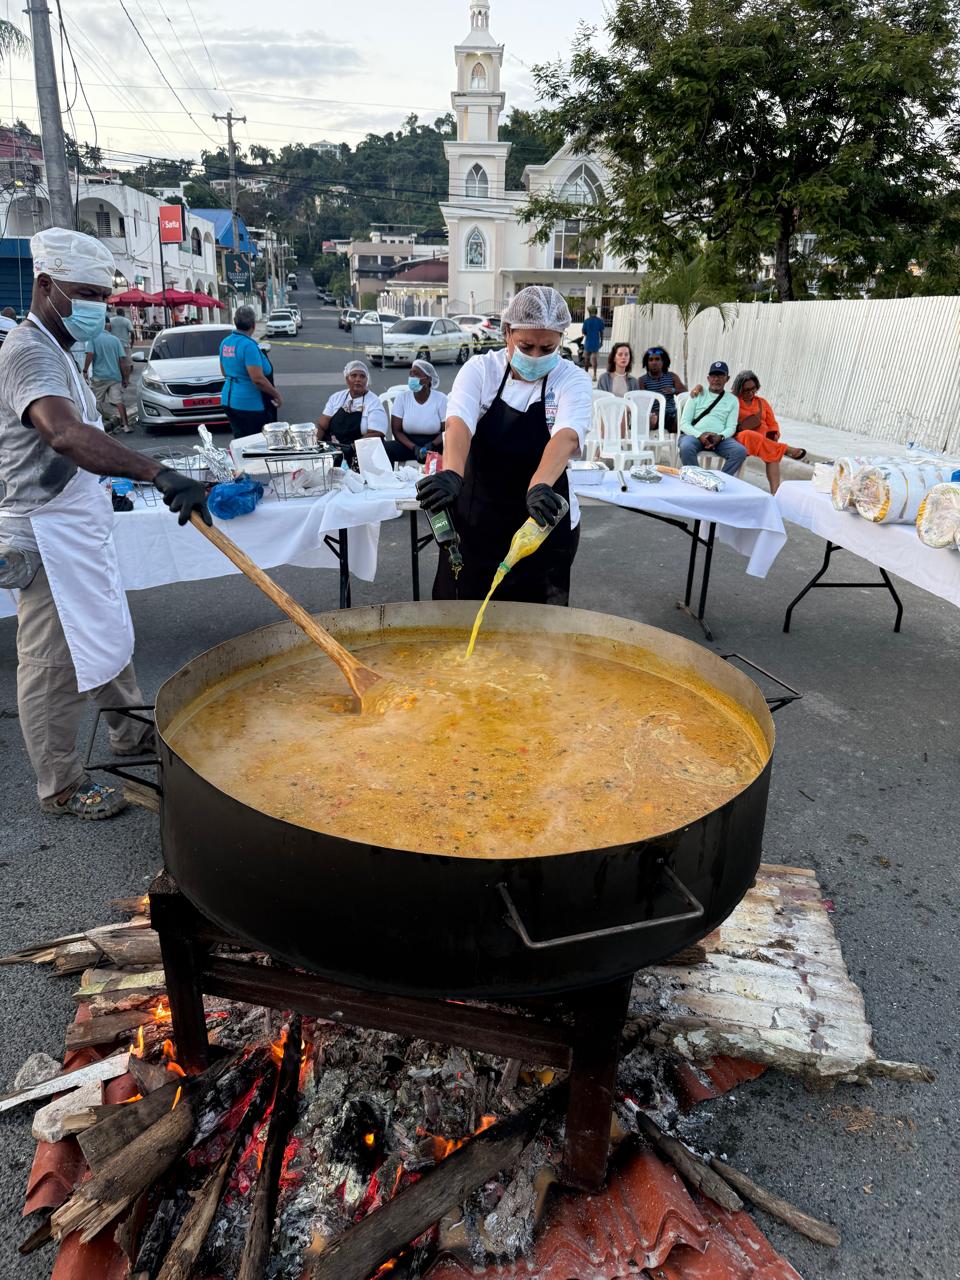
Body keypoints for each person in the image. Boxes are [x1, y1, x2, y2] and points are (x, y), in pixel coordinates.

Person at [0, 227, 210, 820]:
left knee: (104, 628)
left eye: (102, 295)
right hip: (41, 530)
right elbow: (63, 434)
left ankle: (127, 731)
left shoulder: (59, 346)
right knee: (49, 661)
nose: (97, 305)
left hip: (74, 522)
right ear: (46, 286)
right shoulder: (29, 350)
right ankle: (60, 785)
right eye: (85, 292)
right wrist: (155, 471)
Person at [417, 285, 591, 605]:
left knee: (537, 629)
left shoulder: (572, 379)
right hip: (476, 523)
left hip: (540, 522)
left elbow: (566, 435)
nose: (536, 356)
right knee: (462, 620)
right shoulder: (481, 371)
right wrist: (453, 472)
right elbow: (459, 423)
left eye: (547, 348)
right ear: (507, 333)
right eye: (527, 346)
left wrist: (539, 484)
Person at [729, 370, 806, 494]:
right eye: (746, 390)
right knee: (749, 435)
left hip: (762, 441)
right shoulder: (733, 400)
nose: (750, 393)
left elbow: (772, 424)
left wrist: (773, 434)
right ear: (739, 389)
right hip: (741, 439)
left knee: (772, 452)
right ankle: (786, 449)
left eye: (753, 389)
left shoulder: (762, 402)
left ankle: (775, 494)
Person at [219, 305, 282, 438]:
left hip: (228, 400)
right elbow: (258, 379)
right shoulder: (248, 345)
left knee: (240, 442)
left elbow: (224, 372)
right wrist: (276, 394)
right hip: (249, 404)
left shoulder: (225, 342)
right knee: (255, 445)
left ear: (235, 322)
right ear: (253, 325)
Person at [678, 360, 746, 475]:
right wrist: (700, 435)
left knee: (740, 451)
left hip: (719, 439)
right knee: (686, 447)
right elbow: (684, 423)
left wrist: (720, 436)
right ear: (708, 378)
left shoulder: (732, 400)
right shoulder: (697, 393)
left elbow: (731, 427)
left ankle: (721, 480)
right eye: (713, 375)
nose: (716, 379)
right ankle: (699, 479)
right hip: (695, 435)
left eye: (720, 375)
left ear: (727, 378)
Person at [316, 361, 388, 452]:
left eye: (362, 376)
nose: (358, 379)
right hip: (333, 449)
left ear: (367, 380)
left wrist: (352, 448)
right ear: (347, 379)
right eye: (354, 375)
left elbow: (376, 433)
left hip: (361, 450)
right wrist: (314, 445)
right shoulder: (336, 398)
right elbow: (322, 426)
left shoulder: (373, 402)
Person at [385, 359, 447, 463]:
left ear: (428, 379)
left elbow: (446, 430)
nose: (412, 377)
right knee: (386, 448)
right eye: (411, 374)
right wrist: (414, 448)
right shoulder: (402, 398)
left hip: (434, 445)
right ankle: (389, 479)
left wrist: (431, 445)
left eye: (416, 374)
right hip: (408, 445)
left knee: (452, 448)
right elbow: (397, 431)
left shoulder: (441, 399)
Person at [83, 320, 131, 433]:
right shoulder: (115, 340)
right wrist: (125, 378)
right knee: (118, 401)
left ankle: (96, 426)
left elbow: (90, 354)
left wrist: (85, 370)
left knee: (96, 401)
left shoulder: (93, 339)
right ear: (108, 327)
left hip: (99, 377)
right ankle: (126, 425)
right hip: (115, 377)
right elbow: (122, 361)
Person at [639, 346, 686, 434]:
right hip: (654, 415)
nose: (654, 362)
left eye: (657, 359)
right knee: (651, 419)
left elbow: (685, 393)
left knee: (684, 420)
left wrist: (673, 390)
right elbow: (641, 403)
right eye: (651, 360)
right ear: (647, 363)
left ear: (663, 361)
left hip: (671, 414)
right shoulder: (642, 380)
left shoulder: (672, 377)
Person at [580, 305, 604, 378]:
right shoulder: (599, 321)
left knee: (587, 359)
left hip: (588, 343)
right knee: (594, 359)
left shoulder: (586, 321)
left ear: (590, 312)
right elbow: (601, 332)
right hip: (596, 343)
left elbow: (583, 332)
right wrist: (601, 342)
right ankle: (594, 375)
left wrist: (588, 333)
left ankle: (586, 374)